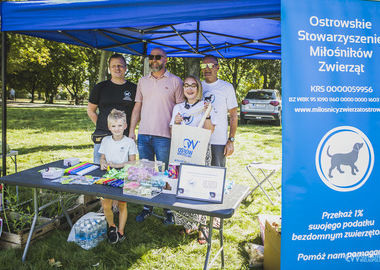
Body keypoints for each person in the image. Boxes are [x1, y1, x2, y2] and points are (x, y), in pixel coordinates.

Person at [129, 47, 184, 225]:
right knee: (146, 172)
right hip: (144, 134)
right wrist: (131, 131)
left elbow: (182, 110)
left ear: (166, 60)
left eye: (157, 57)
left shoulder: (176, 81)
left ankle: (168, 209)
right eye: (151, 57)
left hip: (165, 136)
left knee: (166, 173)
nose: (153, 60)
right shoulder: (142, 81)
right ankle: (147, 207)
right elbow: (137, 107)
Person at [170, 75, 215, 244]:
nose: (189, 89)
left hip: (201, 151)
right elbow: (173, 133)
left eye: (193, 85)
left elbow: (210, 131)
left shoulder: (206, 106)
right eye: (186, 86)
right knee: (183, 187)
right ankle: (189, 223)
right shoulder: (178, 107)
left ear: (198, 88)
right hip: (182, 152)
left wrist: (208, 115)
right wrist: (175, 122)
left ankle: (203, 227)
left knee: (201, 189)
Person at [87, 53, 137, 165]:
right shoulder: (100, 87)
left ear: (125, 68)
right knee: (100, 168)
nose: (117, 68)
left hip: (124, 136)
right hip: (102, 134)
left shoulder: (134, 88)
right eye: (113, 66)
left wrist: (131, 129)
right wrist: (104, 124)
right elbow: (90, 110)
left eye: (120, 65)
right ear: (109, 69)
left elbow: (137, 112)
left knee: (124, 170)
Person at [99, 109, 138, 244]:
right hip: (109, 176)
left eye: (120, 126)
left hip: (123, 176)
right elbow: (102, 157)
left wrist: (117, 165)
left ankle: (121, 231)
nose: (117, 129)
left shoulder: (129, 142)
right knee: (106, 205)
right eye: (114, 126)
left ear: (125, 126)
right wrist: (103, 163)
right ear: (109, 127)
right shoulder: (105, 141)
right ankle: (112, 226)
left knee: (122, 205)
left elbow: (133, 162)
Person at [201, 55, 238, 167]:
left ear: (217, 67)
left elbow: (233, 116)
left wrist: (231, 140)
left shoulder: (226, 87)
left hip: (218, 141)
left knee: (217, 175)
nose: (206, 68)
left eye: (210, 65)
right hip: (199, 139)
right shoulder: (198, 86)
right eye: (203, 65)